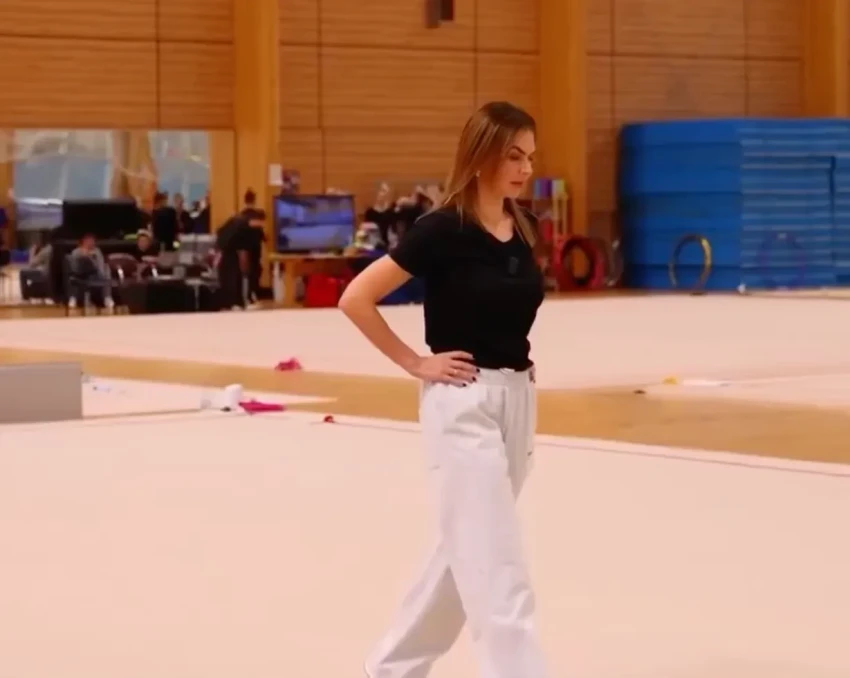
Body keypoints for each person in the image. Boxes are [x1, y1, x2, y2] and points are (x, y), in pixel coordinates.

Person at [338, 101, 547, 678]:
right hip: (464, 403)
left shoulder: (523, 227)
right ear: (480, 155)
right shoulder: (441, 229)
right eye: (513, 156)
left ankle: (392, 668)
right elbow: (355, 298)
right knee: (498, 564)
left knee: (467, 550)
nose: (526, 168)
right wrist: (414, 361)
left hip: (518, 401)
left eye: (530, 157)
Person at [214, 212, 253, 310]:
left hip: (224, 261)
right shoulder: (243, 228)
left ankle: (228, 305)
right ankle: (237, 304)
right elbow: (243, 253)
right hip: (234, 261)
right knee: (235, 283)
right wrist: (246, 270)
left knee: (226, 284)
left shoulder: (225, 228)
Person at [68, 233, 114, 309]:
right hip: (79, 275)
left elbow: (100, 265)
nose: (91, 242)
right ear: (83, 241)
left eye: (92, 240)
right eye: (88, 240)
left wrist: (91, 257)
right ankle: (73, 298)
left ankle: (107, 297)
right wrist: (83, 256)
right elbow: (73, 267)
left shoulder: (97, 251)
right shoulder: (76, 251)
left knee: (107, 269)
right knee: (74, 277)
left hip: (96, 274)